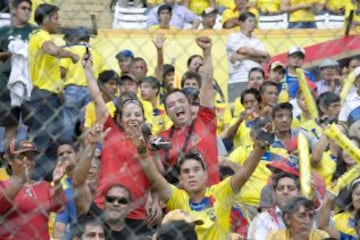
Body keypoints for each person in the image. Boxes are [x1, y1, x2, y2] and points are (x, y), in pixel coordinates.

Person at [133, 124, 271, 239]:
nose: (191, 175)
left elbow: (245, 172)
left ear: (205, 174)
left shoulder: (221, 192)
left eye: (196, 170)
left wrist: (259, 148)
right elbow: (154, 178)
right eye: (186, 172)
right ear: (180, 178)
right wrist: (142, 152)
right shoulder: (177, 198)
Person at [82, 51, 162, 233]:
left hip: (137, 213)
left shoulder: (151, 143)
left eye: (137, 114)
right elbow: (97, 98)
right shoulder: (111, 131)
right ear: (120, 118)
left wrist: (156, 201)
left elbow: (156, 177)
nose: (133, 118)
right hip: (104, 207)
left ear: (143, 117)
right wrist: (88, 71)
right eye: (128, 114)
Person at [28, 3, 80, 180]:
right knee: (42, 141)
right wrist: (71, 55)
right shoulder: (39, 35)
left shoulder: (44, 36)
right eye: (56, 18)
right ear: (45, 19)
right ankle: (35, 180)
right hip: (43, 97)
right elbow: (51, 50)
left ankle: (49, 180)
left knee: (52, 142)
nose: (59, 22)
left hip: (52, 97)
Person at [159, 36, 220, 185]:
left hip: (212, 197)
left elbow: (206, 81)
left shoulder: (205, 120)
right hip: (181, 202)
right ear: (167, 113)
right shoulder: (162, 139)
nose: (178, 106)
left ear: (189, 104)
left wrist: (206, 52)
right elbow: (158, 175)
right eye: (172, 105)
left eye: (181, 101)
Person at [0, 139, 66, 239]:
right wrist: (21, 179)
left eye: (30, 158)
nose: (26, 161)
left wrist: (57, 183)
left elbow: (61, 207)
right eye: (21, 157)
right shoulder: (2, 185)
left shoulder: (45, 186)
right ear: (9, 160)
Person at [0, 0, 36, 157]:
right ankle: (8, 158)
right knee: (11, 125)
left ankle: (29, 157)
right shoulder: (4, 31)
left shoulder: (35, 32)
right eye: (23, 8)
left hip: (31, 83)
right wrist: (10, 53)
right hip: (7, 82)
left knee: (33, 125)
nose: (27, 11)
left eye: (29, 9)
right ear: (13, 9)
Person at [60, 26, 105, 142]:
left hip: (72, 89)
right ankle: (85, 146)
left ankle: (67, 146)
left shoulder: (70, 51)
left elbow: (62, 71)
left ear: (75, 38)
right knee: (86, 122)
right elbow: (101, 76)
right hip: (91, 91)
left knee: (68, 121)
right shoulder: (97, 54)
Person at [226, 11, 270, 102]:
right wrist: (258, 56)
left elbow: (266, 58)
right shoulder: (233, 37)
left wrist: (244, 56)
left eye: (254, 22)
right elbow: (243, 50)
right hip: (238, 79)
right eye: (250, 21)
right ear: (241, 23)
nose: (253, 24)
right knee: (237, 110)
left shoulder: (257, 41)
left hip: (257, 81)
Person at [247, 172, 301, 239]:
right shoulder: (263, 219)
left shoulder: (308, 218)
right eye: (280, 188)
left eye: (291, 188)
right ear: (274, 195)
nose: (285, 192)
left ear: (299, 193)